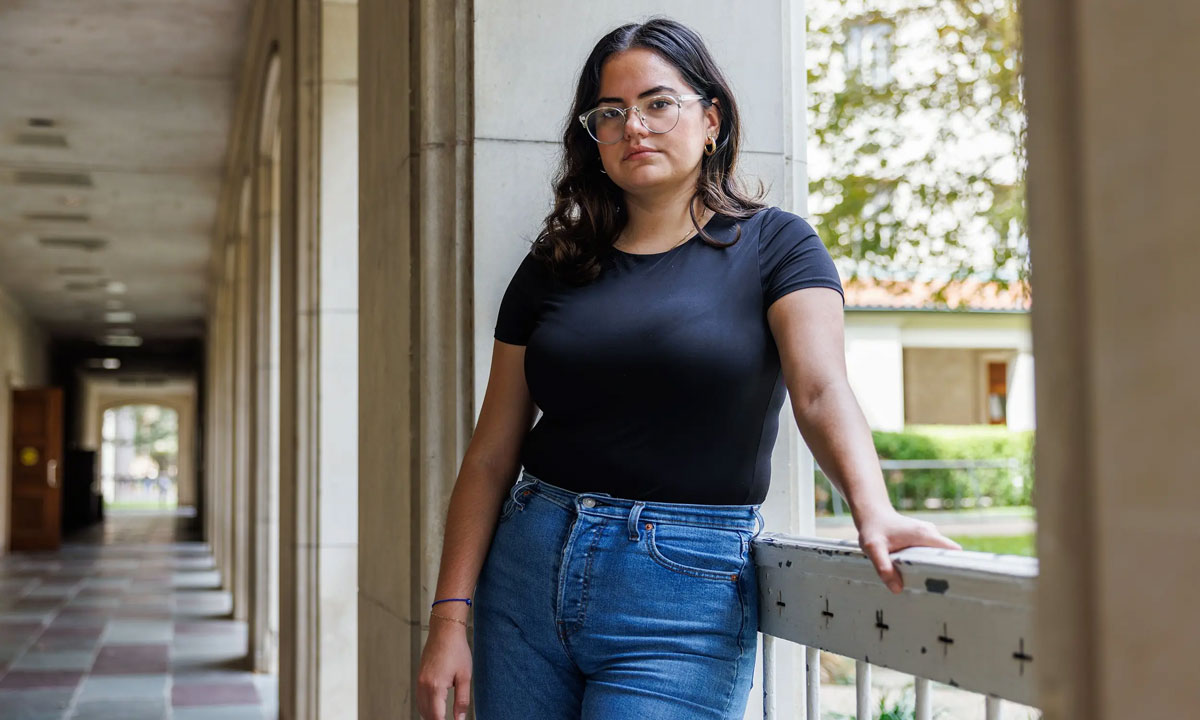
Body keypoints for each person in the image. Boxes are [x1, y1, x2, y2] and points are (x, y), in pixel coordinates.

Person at [417, 16, 961, 720]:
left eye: (657, 103)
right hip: (525, 569)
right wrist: (448, 619)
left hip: (682, 590)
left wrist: (873, 508)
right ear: (594, 139)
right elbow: (491, 454)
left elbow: (822, 391)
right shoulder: (553, 264)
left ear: (711, 118)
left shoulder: (778, 247)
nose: (633, 126)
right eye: (609, 113)